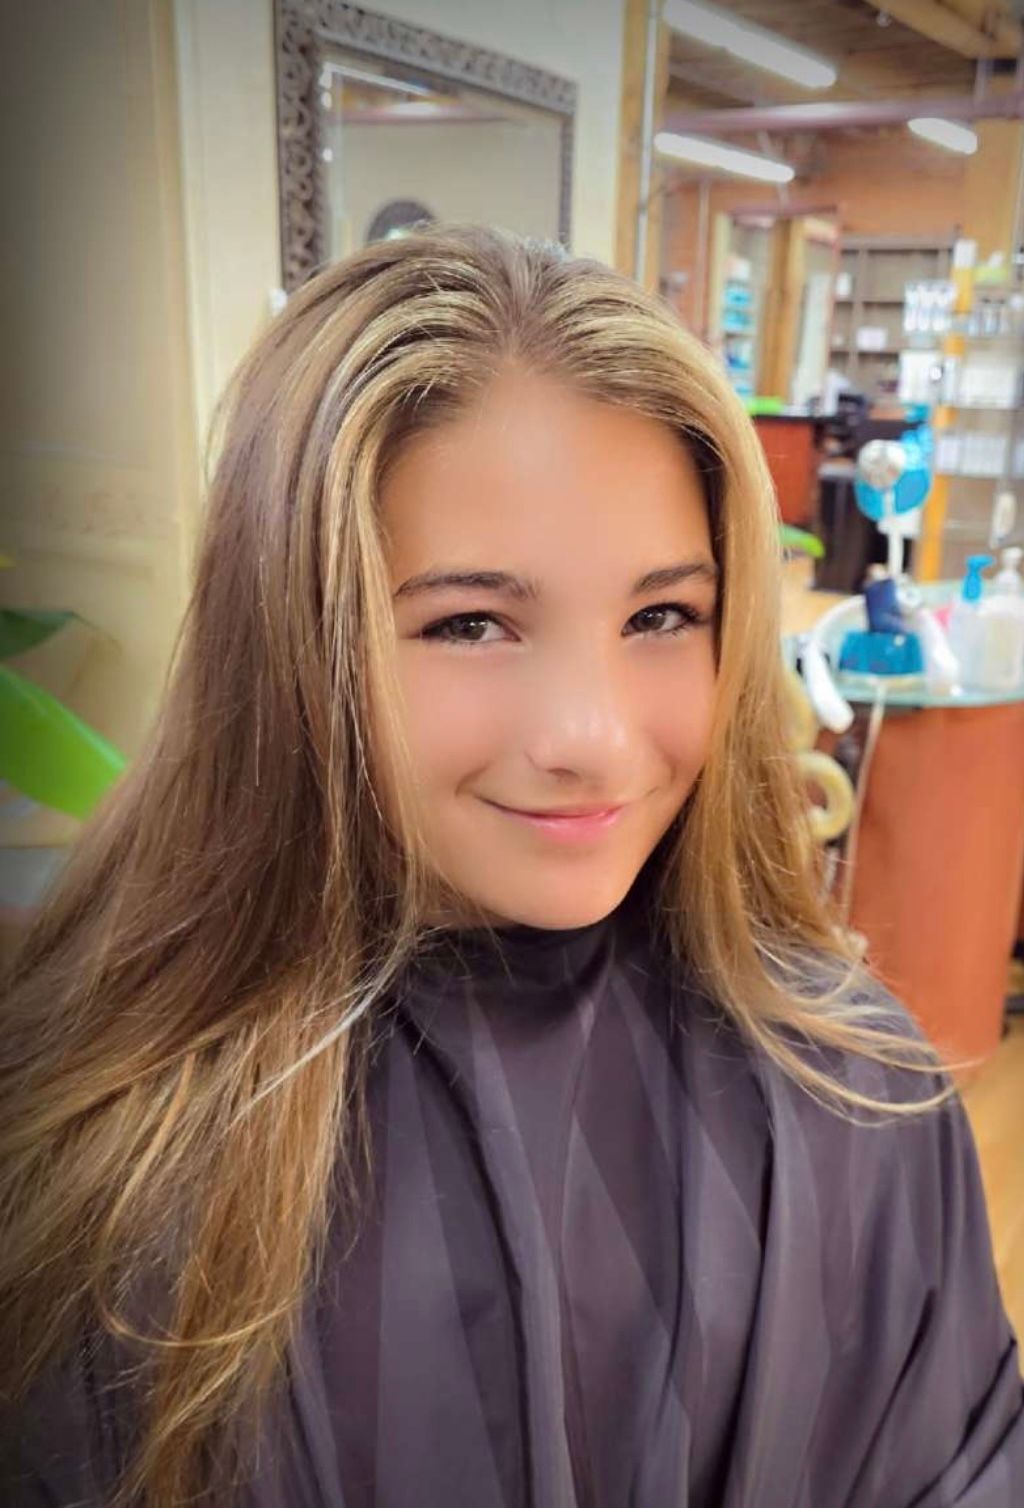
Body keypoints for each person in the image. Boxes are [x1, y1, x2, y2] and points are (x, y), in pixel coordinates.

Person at [1, 224, 1021, 1508]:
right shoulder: (106, 1169)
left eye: (661, 616)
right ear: (292, 644)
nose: (591, 741)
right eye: (469, 622)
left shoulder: (856, 1077)